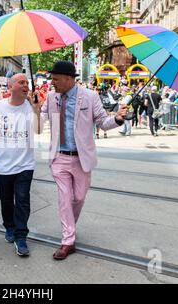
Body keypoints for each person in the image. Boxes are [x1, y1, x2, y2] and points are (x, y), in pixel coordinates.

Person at [38, 61, 127, 260]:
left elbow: (103, 123)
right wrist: (35, 109)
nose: (52, 82)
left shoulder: (90, 96)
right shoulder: (51, 98)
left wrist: (118, 119)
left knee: (77, 198)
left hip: (81, 158)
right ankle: (68, 240)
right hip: (58, 156)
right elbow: (40, 120)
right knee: (64, 198)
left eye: (56, 79)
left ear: (69, 79)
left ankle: (69, 225)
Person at [0, 73, 40, 257]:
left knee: (23, 200)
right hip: (2, 163)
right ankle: (9, 226)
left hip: (25, 164)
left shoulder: (31, 107)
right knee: (6, 200)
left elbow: (38, 130)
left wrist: (36, 110)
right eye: (21, 82)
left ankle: (21, 236)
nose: (25, 84)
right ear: (10, 87)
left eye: (27, 82)